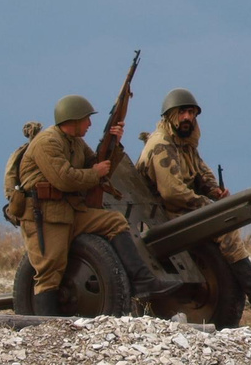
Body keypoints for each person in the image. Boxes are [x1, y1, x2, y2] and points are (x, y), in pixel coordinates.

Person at [138, 88, 251, 319]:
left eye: (191, 113)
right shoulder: (161, 144)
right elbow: (172, 193)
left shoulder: (185, 143)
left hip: (177, 212)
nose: (188, 118)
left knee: (225, 220)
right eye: (183, 113)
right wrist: (205, 204)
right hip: (160, 218)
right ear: (170, 115)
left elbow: (201, 173)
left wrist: (215, 192)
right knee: (225, 231)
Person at [13, 95, 167, 310]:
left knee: (114, 222)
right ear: (73, 119)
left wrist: (114, 142)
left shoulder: (75, 142)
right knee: (51, 269)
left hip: (69, 211)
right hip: (46, 215)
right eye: (86, 119)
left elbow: (96, 164)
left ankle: (143, 280)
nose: (90, 124)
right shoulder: (47, 142)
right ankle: (45, 325)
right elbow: (64, 178)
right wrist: (95, 173)